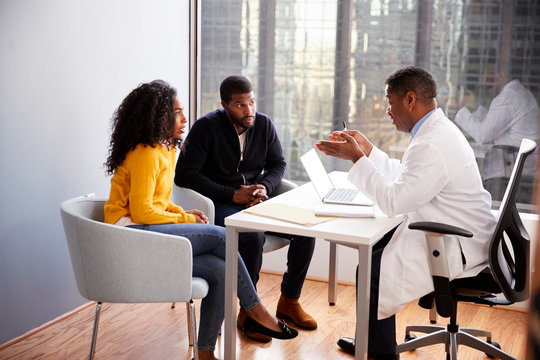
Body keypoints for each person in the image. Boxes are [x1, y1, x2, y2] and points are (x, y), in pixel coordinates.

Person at [103, 80, 297, 360]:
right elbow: (143, 211)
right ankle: (256, 309)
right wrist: (183, 216)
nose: (184, 119)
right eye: (177, 113)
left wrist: (183, 213)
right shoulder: (145, 153)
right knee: (221, 235)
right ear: (158, 117)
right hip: (129, 234)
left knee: (220, 269)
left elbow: (158, 200)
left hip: (147, 229)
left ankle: (205, 353)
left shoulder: (165, 149)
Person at [315, 66, 497, 359]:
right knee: (374, 252)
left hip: (457, 242)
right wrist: (368, 150)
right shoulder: (435, 131)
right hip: (456, 230)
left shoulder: (432, 142)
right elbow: (409, 176)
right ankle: (373, 343)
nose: (388, 111)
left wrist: (357, 159)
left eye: (390, 102)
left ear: (410, 99)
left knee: (372, 269)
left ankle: (379, 352)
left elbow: (393, 201)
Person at [175, 75, 317, 341]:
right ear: (224, 104)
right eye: (240, 105)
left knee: (306, 228)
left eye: (251, 102)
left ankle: (289, 301)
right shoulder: (205, 128)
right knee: (251, 235)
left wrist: (263, 186)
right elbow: (184, 175)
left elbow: (278, 164)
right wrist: (233, 194)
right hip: (220, 203)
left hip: (257, 197)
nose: (248, 110)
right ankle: (249, 312)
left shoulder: (263, 124)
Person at [454, 71, 540, 200]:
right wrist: (475, 106)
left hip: (507, 175)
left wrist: (459, 109)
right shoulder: (517, 93)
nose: (484, 80)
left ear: (502, 75)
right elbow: (495, 124)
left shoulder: (508, 98)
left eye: (489, 74)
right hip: (516, 170)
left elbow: (483, 135)